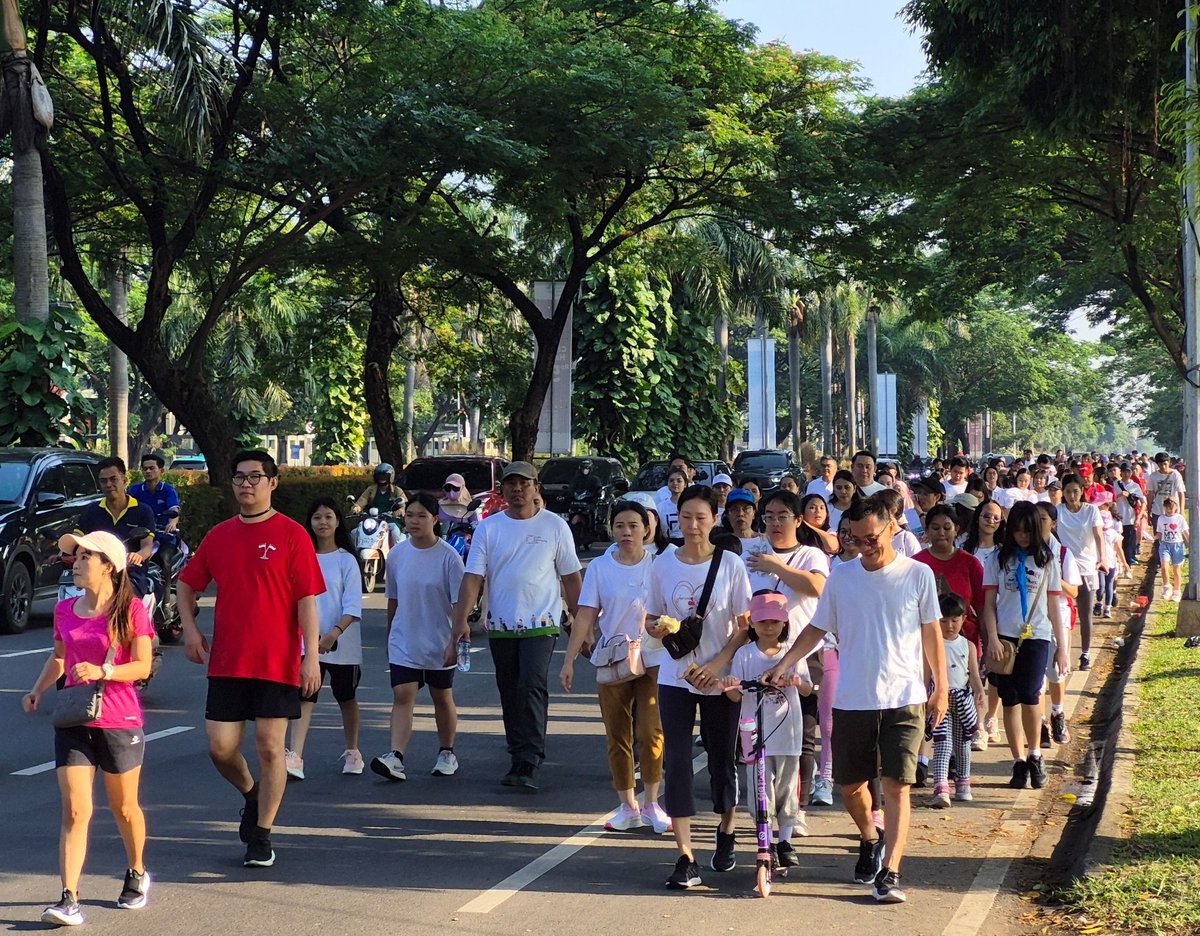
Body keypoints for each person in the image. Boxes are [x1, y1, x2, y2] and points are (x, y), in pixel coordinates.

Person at [765, 497, 948, 905]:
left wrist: (941, 687)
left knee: (897, 786)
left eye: (873, 538)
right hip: (853, 698)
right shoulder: (842, 577)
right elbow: (816, 628)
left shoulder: (917, 574)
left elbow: (931, 632)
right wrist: (785, 662)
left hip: (904, 697)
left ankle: (892, 870)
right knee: (851, 786)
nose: (865, 546)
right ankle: (870, 835)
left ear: (891, 530)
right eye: (856, 539)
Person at [177, 450, 325, 869]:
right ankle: (250, 793)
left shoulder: (292, 534)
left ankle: (261, 834)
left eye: (256, 477)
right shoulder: (219, 535)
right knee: (221, 748)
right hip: (228, 660)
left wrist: (310, 656)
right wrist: (190, 630)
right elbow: (187, 585)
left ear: (272, 483)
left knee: (270, 747)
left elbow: (306, 601)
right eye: (240, 477)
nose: (247, 483)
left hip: (277, 661)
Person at [23, 531, 155, 925]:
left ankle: (136, 872)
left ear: (108, 566)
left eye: (85, 557)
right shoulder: (66, 610)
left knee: (125, 808)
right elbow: (60, 657)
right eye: (75, 556)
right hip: (75, 720)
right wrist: (37, 689)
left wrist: (105, 670)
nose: (76, 562)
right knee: (76, 809)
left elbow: (143, 666)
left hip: (119, 719)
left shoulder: (130, 610)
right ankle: (69, 899)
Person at [644, 485, 752, 890]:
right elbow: (653, 617)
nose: (692, 525)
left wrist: (717, 665)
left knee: (723, 755)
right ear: (677, 515)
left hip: (719, 677)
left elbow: (745, 627)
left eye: (701, 518)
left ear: (714, 518)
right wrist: (655, 627)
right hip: (676, 675)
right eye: (686, 517)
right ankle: (685, 855)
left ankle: (726, 826)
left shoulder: (731, 565)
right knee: (677, 758)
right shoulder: (662, 564)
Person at [453, 462, 582, 791]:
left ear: (536, 487)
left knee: (530, 684)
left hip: (542, 623)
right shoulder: (489, 528)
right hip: (501, 623)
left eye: (524, 483)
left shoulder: (554, 526)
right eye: (510, 484)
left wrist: (583, 624)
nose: (517, 489)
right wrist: (461, 622)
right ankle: (518, 747)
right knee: (509, 688)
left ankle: (529, 757)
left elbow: (570, 577)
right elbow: (473, 578)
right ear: (503, 490)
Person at [560, 501, 669, 834]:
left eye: (634, 525)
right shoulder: (599, 568)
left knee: (651, 732)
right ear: (611, 529)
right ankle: (628, 806)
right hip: (613, 659)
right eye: (620, 525)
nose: (626, 532)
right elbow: (585, 615)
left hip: (652, 660)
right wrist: (568, 660)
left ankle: (652, 802)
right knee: (617, 734)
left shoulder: (660, 565)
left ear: (647, 529)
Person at [746, 489, 830, 824]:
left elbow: (817, 588)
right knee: (762, 736)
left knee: (803, 735)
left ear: (798, 520)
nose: (775, 523)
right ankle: (766, 809)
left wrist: (776, 567)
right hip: (760, 652)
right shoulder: (752, 554)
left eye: (782, 516)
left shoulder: (811, 555)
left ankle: (798, 810)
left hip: (805, 652)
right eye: (768, 516)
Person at [372, 492, 466, 781]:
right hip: (405, 639)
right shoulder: (398, 554)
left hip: (438, 640)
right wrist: (390, 636)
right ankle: (396, 756)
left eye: (421, 515)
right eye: (410, 515)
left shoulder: (449, 558)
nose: (414, 521)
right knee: (403, 694)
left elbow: (459, 605)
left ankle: (447, 752)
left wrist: (455, 641)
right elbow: (393, 599)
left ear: (435, 519)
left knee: (441, 696)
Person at [980, 502, 1068, 791]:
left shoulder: (1047, 560)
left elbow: (1055, 605)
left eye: (1026, 531)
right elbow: (989, 604)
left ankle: (1035, 754)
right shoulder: (997, 559)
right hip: (1004, 638)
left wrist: (1062, 647)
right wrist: (991, 638)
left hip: (1037, 636)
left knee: (1031, 695)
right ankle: (1017, 760)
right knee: (1010, 699)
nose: (1021, 537)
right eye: (1016, 531)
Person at [721, 591, 809, 870]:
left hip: (788, 733)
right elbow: (735, 697)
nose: (769, 627)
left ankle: (784, 840)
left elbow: (807, 687)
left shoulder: (792, 651)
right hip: (754, 734)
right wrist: (729, 686)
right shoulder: (745, 654)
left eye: (774, 621)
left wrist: (795, 680)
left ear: (784, 622)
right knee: (760, 789)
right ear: (753, 624)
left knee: (786, 788)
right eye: (762, 621)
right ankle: (765, 839)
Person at [285, 498, 364, 781]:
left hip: (342, 644)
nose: (323, 523)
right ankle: (295, 754)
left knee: (346, 697)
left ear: (338, 521)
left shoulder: (346, 560)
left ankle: (352, 751)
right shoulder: (300, 556)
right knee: (306, 696)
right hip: (308, 643)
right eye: (317, 517)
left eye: (328, 517)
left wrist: (333, 634)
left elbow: (353, 605)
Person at [926, 593, 985, 808]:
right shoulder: (931, 644)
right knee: (943, 742)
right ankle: (940, 785)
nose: (949, 625)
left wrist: (979, 693)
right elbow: (925, 675)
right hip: (939, 699)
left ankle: (963, 782)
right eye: (943, 621)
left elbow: (974, 675)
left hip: (962, 699)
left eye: (954, 620)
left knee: (963, 743)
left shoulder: (968, 646)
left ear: (963, 619)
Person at [1035, 502, 1081, 746]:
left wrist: (1054, 578)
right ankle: (1040, 722)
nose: (1038, 523)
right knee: (1036, 676)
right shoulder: (1025, 551)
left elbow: (1074, 591)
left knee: (1056, 672)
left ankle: (1057, 713)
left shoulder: (1063, 554)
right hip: (1032, 620)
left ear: (1053, 523)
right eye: (1036, 518)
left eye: (1043, 519)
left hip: (1057, 620)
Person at [78, 457, 158, 597]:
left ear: (124, 480)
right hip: (97, 573)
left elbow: (147, 547)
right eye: (104, 481)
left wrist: (137, 556)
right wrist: (61, 554)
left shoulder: (143, 511)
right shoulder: (91, 511)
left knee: (123, 602)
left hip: (131, 574)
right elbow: (78, 539)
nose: (109, 484)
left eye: (113, 479)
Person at [1057, 474, 1106, 671]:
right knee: (1061, 614)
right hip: (1064, 569)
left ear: (1082, 491)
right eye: (1068, 492)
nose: (1072, 495)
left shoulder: (1091, 511)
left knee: (1085, 614)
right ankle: (1062, 654)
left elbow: (1099, 536)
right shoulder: (1058, 511)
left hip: (1086, 568)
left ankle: (1085, 654)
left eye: (1075, 491)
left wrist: (1101, 558)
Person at [127, 453, 181, 589]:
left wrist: (172, 523)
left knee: (164, 560)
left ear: (161, 470)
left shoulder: (168, 490)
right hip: (140, 535)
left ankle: (167, 601)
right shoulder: (135, 490)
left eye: (152, 468)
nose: (148, 471)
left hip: (163, 536)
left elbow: (174, 509)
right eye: (145, 469)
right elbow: (126, 509)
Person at [353, 463, 404, 546]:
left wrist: (399, 511)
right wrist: (356, 508)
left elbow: (403, 506)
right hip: (372, 520)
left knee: (394, 529)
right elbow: (362, 501)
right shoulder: (371, 489)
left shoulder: (396, 490)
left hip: (390, 520)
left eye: (384, 476)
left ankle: (398, 552)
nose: (381, 479)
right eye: (379, 476)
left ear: (390, 477)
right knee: (354, 532)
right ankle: (355, 555)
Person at [1155, 496, 1190, 601]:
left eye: (1171, 508)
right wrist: (1154, 537)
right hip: (1165, 544)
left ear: (1176, 507)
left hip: (1177, 545)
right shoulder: (1161, 518)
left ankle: (1177, 591)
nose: (1169, 510)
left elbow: (1185, 532)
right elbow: (1160, 533)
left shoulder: (1179, 518)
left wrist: (1189, 544)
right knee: (1164, 566)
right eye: (1167, 508)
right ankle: (1167, 586)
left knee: (1176, 569)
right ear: (1164, 508)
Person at [1113, 463, 1143, 566]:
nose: (1126, 474)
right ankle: (1121, 563)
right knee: (1118, 542)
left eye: (1128, 472)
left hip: (1130, 518)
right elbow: (1110, 499)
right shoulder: (1115, 484)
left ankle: (1128, 562)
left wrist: (1138, 517)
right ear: (1120, 472)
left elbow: (1143, 502)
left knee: (1128, 543)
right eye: (1124, 472)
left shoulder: (1135, 486)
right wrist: (1120, 495)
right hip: (1117, 518)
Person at [1146, 452, 1186, 528]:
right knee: (1158, 537)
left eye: (1165, 464)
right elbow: (1150, 496)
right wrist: (1148, 513)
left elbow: (1181, 494)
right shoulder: (1153, 476)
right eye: (1161, 465)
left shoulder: (1175, 475)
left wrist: (1182, 512)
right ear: (1157, 464)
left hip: (1173, 511)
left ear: (1169, 462)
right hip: (1157, 511)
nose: (1163, 467)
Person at [656, 467, 688, 541]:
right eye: (671, 480)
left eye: (679, 481)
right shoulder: (661, 507)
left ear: (685, 484)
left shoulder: (692, 505)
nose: (675, 483)